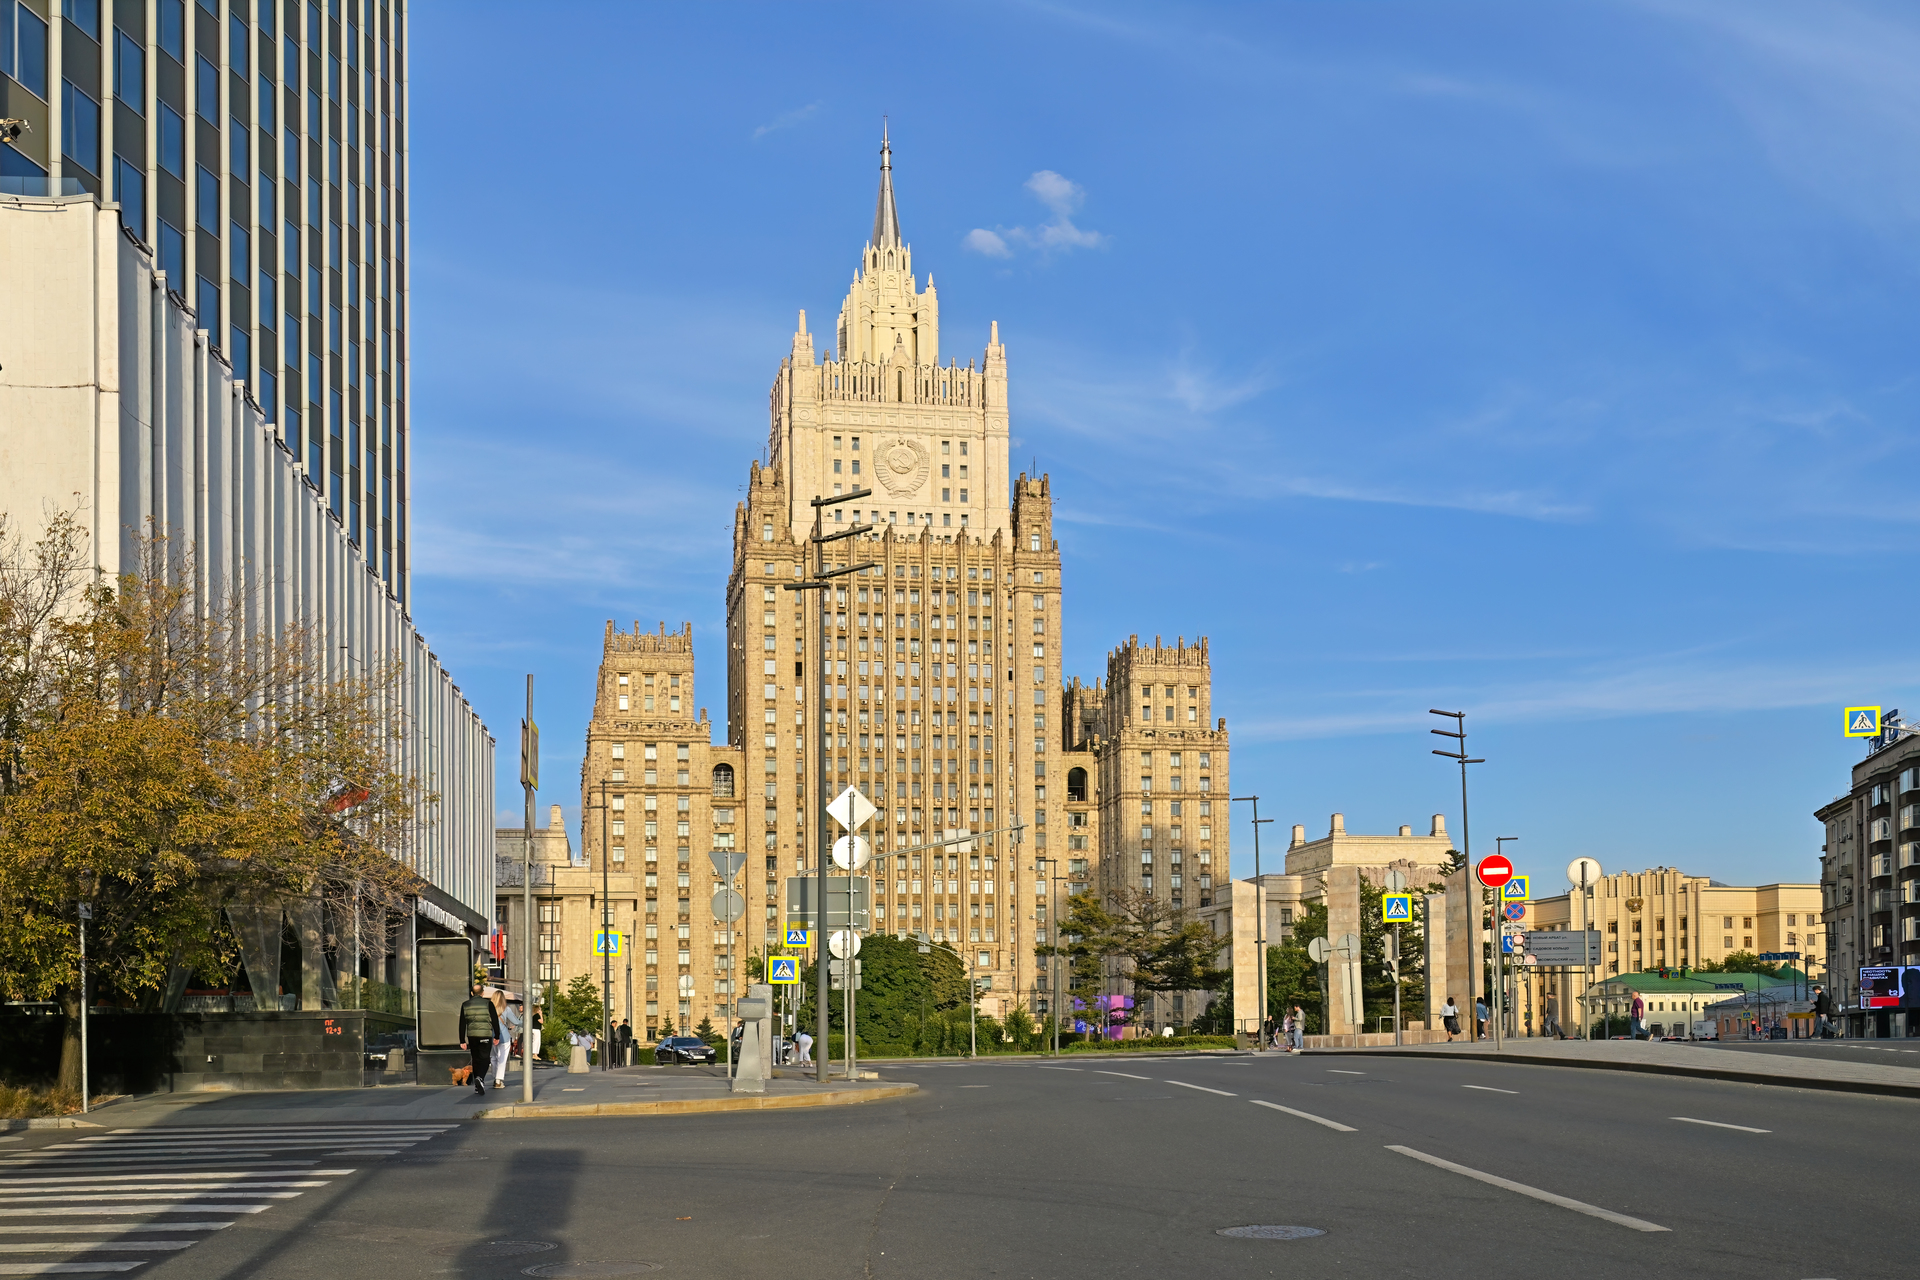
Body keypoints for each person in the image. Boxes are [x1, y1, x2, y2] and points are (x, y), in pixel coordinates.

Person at [457, 982, 500, 1095]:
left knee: (475, 1059)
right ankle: (480, 1078)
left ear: (472, 993)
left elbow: (462, 1023)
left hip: (472, 1036)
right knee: (485, 1058)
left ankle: (477, 1085)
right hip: (485, 1035)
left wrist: (462, 1040)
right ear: (483, 993)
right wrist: (497, 1036)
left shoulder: (465, 1005)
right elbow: (495, 1020)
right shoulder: (488, 1004)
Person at [492, 995, 523, 1088]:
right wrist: (526, 1023)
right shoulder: (506, 1009)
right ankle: (498, 1080)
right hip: (504, 1036)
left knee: (493, 1058)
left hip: (491, 1036)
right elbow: (516, 1022)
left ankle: (494, 1077)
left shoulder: (488, 1008)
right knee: (502, 1059)